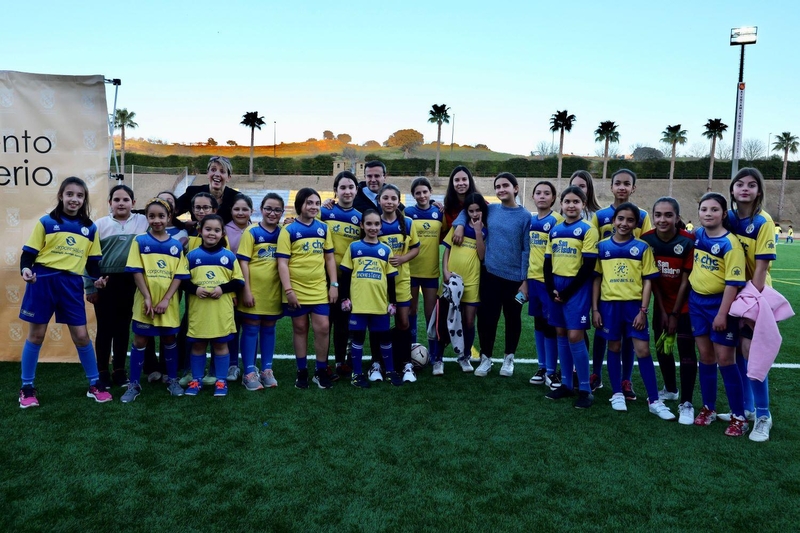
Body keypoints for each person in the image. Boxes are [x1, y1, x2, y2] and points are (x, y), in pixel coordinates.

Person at [18, 176, 112, 408]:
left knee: (81, 336)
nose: (74, 199)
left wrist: (98, 279)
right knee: (37, 335)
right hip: (43, 282)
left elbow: (92, 263)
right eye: (70, 194)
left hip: (70, 286)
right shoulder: (46, 222)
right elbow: (28, 255)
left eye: (79, 196)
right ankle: (27, 388)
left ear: (84, 199)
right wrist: (25, 270)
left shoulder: (90, 228)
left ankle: (94, 384)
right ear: (61, 196)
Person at [592, 203, 675, 420]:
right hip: (609, 306)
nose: (624, 224)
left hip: (634, 307)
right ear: (613, 221)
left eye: (630, 220)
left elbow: (648, 280)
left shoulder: (642, 248)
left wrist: (643, 310)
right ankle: (617, 393)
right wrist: (595, 309)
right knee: (615, 346)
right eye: (620, 219)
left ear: (636, 224)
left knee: (643, 350)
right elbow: (597, 279)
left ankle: (654, 400)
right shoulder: (601, 247)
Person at [452, 173, 530, 378]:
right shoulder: (491, 209)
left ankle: (508, 358)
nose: (501, 189)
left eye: (505, 185)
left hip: (515, 279)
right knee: (487, 319)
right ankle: (485, 358)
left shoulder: (525, 216)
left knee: (513, 319)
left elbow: (526, 250)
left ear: (515, 188)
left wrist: (525, 281)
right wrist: (460, 224)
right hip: (490, 274)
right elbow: (468, 209)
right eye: (498, 186)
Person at [689, 193, 747, 436]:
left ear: (724, 214)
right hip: (696, 302)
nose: (708, 213)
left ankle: (739, 416)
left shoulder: (730, 244)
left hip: (720, 305)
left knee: (725, 359)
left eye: (714, 209)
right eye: (704, 209)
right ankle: (709, 407)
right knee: (706, 356)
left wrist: (723, 314)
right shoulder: (698, 235)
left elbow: (733, 284)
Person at [725, 168, 778, 441]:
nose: (745, 188)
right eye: (740, 184)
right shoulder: (730, 218)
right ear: (732, 190)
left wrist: (750, 303)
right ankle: (745, 410)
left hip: (754, 295)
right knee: (736, 353)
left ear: (759, 191)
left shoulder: (763, 221)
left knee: (751, 353)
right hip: (732, 292)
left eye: (752, 185)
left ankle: (763, 414)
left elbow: (761, 267)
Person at [121, 198, 190, 402]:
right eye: (152, 216)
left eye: (161, 216)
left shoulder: (176, 245)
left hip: (167, 303)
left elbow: (179, 275)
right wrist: (148, 297)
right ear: (147, 218)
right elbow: (136, 271)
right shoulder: (140, 241)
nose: (157, 220)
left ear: (169, 217)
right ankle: (133, 384)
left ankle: (172, 380)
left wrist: (167, 299)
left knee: (169, 339)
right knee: (141, 339)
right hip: (145, 301)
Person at [590, 169, 652, 397]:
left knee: (628, 334)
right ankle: (595, 373)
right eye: (618, 183)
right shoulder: (600, 216)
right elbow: (594, 250)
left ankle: (626, 380)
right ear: (611, 187)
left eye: (627, 184)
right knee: (601, 329)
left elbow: (645, 249)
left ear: (634, 188)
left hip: (631, 286)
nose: (622, 187)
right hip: (606, 284)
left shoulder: (642, 216)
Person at [86, 184, 149, 389]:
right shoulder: (99, 225)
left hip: (131, 281)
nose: (121, 203)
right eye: (116, 200)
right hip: (105, 282)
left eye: (125, 200)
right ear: (109, 203)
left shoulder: (142, 221)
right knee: (105, 328)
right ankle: (102, 371)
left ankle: (120, 371)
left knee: (123, 328)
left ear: (134, 203)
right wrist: (90, 287)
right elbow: (89, 258)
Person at [641, 197, 697, 425]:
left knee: (685, 351)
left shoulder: (688, 241)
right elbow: (651, 278)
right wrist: (663, 311)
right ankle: (671, 389)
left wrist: (674, 314)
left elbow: (686, 282)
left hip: (685, 305)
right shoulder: (646, 240)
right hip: (661, 304)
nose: (662, 219)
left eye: (668, 215)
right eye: (658, 215)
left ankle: (686, 402)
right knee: (662, 348)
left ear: (677, 218)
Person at [277, 188, 339, 390]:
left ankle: (320, 371)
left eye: (316, 203)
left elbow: (329, 258)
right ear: (299, 205)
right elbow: (283, 263)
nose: (313, 207)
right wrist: (289, 291)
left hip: (319, 290)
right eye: (309, 203)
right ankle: (301, 371)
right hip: (296, 290)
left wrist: (334, 284)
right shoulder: (288, 230)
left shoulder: (323, 228)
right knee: (300, 328)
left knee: (322, 328)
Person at [543, 186, 598, 408]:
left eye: (576, 201)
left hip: (577, 289)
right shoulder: (555, 230)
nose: (571, 205)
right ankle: (566, 384)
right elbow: (547, 262)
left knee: (576, 336)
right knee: (561, 333)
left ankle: (585, 389)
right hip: (556, 286)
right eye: (567, 201)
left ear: (583, 205)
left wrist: (566, 292)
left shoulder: (587, 229)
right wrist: (550, 289)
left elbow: (588, 266)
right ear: (561, 204)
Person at [182, 215, 244, 397]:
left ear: (222, 233)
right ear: (200, 231)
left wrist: (222, 288)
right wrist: (195, 289)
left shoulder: (228, 256)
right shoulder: (192, 256)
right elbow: (182, 280)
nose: (212, 233)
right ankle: (196, 380)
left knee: (220, 345)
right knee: (198, 345)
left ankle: (221, 380)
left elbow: (239, 281)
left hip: (221, 311)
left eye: (217, 230)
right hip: (199, 311)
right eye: (208, 229)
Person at [339, 209, 402, 387]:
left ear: (381, 226)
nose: (373, 227)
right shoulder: (354, 248)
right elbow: (345, 275)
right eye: (369, 224)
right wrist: (344, 298)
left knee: (384, 339)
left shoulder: (385, 250)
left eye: (376, 224)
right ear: (362, 225)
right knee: (358, 339)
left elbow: (391, 279)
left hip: (379, 305)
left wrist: (393, 302)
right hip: (358, 305)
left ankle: (389, 370)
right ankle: (356, 374)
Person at [237, 193, 285, 390]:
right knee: (250, 327)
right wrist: (246, 290)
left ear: (282, 212)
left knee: (269, 328)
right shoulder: (251, 232)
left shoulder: (284, 233)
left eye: (277, 210)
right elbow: (243, 262)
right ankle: (249, 372)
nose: (272, 213)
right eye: (268, 208)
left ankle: (266, 369)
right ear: (261, 209)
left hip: (273, 292)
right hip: (254, 291)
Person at [376, 184, 420, 382]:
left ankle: (405, 362)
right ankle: (378, 362)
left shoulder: (408, 223)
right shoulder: (374, 223)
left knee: (403, 322)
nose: (389, 202)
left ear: (398, 201)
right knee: (380, 323)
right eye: (385, 198)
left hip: (401, 280)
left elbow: (416, 248)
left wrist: (403, 259)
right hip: (379, 282)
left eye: (393, 198)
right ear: (379, 200)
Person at [321, 171, 362, 379]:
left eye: (350, 187)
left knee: (343, 322)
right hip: (323, 278)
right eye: (342, 187)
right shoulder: (324, 212)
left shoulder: (361, 219)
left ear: (356, 190)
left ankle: (340, 362)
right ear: (335, 191)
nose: (347, 191)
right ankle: (323, 364)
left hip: (348, 279)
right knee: (325, 322)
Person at [441, 193, 487, 373]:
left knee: (468, 321)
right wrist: (445, 271)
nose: (475, 214)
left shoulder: (484, 231)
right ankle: (438, 356)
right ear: (466, 212)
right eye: (471, 211)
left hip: (472, 282)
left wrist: (477, 232)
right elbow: (446, 250)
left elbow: (482, 256)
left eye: (478, 211)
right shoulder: (457, 228)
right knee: (446, 317)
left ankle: (465, 356)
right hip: (452, 280)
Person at [526, 181, 563, 389]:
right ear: (533, 196)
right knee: (539, 324)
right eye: (538, 192)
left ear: (553, 198)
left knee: (551, 326)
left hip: (549, 282)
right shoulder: (531, 220)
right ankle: (542, 367)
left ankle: (551, 371)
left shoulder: (557, 220)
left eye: (546, 193)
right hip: (533, 280)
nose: (542, 196)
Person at [406, 177, 443, 351]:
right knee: (411, 311)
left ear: (430, 192)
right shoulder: (407, 212)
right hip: (411, 270)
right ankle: (411, 348)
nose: (422, 196)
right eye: (418, 193)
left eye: (424, 192)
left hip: (431, 272)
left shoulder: (439, 213)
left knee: (431, 314)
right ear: (413, 195)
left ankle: (434, 352)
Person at [223, 192, 254, 382]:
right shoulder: (224, 230)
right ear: (231, 211)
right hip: (231, 286)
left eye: (245, 209)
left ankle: (250, 365)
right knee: (233, 327)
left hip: (253, 287)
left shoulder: (257, 230)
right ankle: (232, 365)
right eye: (237, 209)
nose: (241, 213)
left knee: (251, 326)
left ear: (252, 211)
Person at [175, 156, 240, 226]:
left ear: (228, 177)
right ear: (207, 173)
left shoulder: (236, 198)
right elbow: (169, 213)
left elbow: (246, 222)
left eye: (222, 171)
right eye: (213, 170)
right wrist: (184, 225)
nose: (217, 174)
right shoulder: (193, 192)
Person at [441, 165, 478, 239]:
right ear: (452, 183)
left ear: (469, 181)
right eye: (457, 180)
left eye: (464, 179)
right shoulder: (448, 207)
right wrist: (431, 204)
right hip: (454, 248)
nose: (461, 183)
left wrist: (461, 225)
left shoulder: (480, 203)